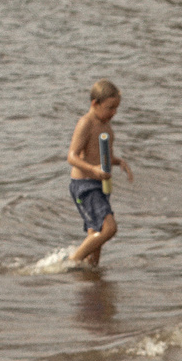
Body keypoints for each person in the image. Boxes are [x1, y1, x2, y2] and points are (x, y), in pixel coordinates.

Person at [65, 79, 133, 270]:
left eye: (116, 108)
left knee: (96, 236)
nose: (114, 113)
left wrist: (118, 161)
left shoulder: (107, 128)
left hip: (100, 185)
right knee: (109, 229)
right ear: (95, 103)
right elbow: (72, 156)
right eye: (110, 108)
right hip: (85, 185)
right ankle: (72, 262)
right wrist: (92, 169)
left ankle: (90, 275)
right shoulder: (86, 123)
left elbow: (104, 157)